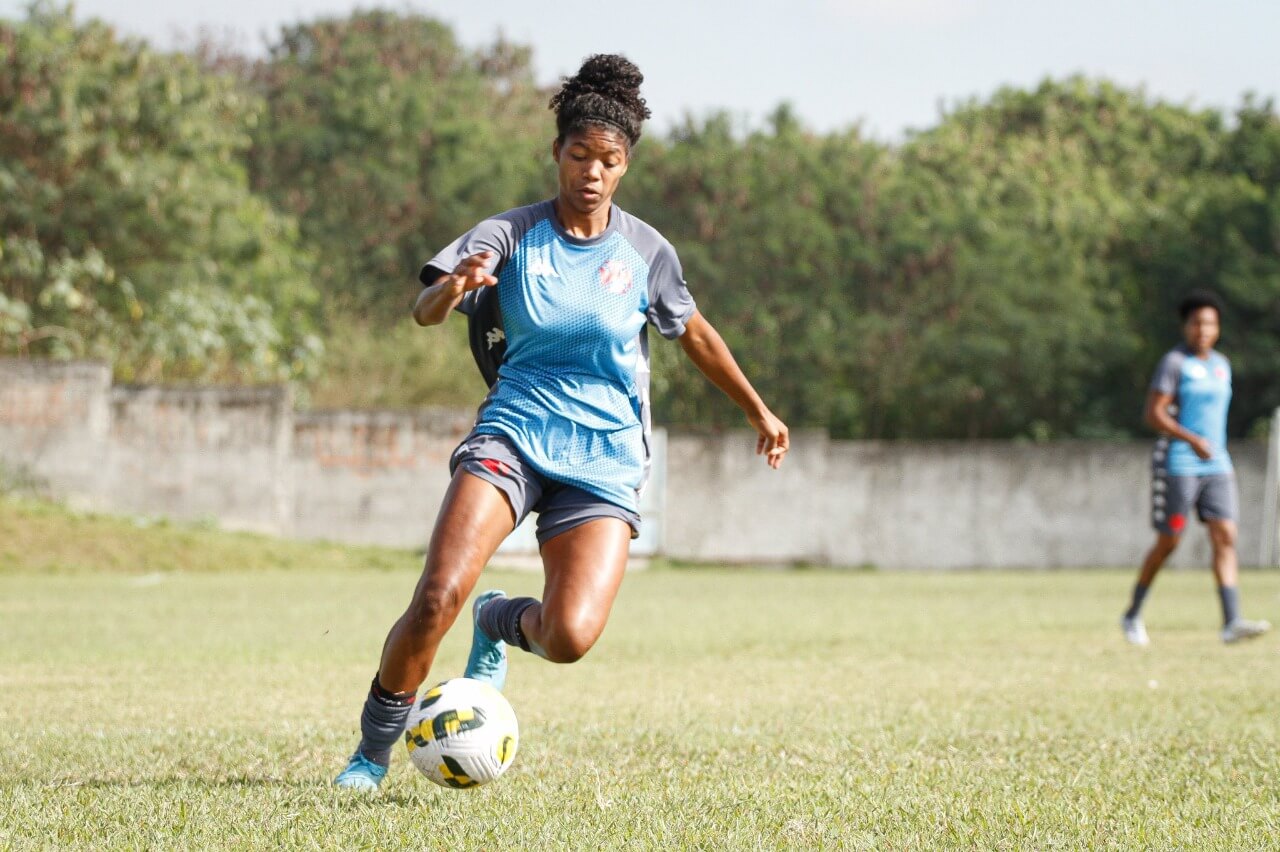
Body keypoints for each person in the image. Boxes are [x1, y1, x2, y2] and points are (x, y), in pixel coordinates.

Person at [334, 54, 789, 790]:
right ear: (557, 153)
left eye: (609, 161)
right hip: (513, 435)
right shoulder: (509, 234)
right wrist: (454, 286)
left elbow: (695, 333)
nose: (592, 172)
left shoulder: (646, 252)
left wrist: (759, 410)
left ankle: (498, 621)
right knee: (434, 596)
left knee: (571, 636)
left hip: (605, 455)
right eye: (580, 155)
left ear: (625, 167)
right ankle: (371, 752)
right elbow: (424, 312)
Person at [1120, 290, 1270, 646]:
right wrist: (1191, 440)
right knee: (1169, 540)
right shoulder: (1174, 363)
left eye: (1210, 323)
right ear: (1186, 327)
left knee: (1225, 535)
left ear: (1217, 328)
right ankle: (1132, 613)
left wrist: (1211, 448)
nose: (1203, 329)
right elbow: (1153, 414)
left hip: (1217, 463)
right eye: (1196, 323)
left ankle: (1231, 621)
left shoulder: (1222, 364)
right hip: (1180, 462)